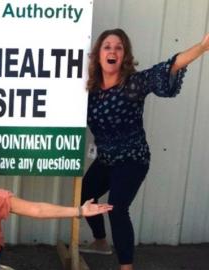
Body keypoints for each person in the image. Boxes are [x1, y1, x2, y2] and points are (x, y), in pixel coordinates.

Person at [80, 28, 209, 270]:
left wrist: (201, 47)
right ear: (98, 54)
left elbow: (170, 66)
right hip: (107, 158)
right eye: (107, 46)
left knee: (117, 209)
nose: (112, 51)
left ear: (124, 55)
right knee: (85, 194)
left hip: (132, 158)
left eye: (118, 47)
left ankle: (126, 267)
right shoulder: (91, 91)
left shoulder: (133, 84)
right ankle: (100, 242)